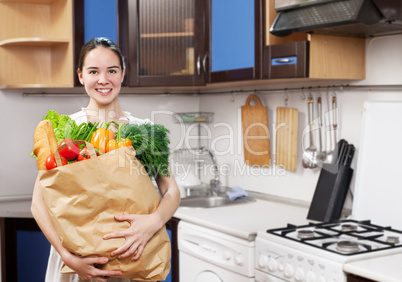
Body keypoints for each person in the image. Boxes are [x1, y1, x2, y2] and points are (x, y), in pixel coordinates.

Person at [31, 37, 181, 282]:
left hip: (134, 257)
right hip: (79, 260)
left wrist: (154, 221)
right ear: (81, 75)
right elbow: (38, 204)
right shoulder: (65, 129)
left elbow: (171, 190)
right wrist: (67, 258)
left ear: (123, 74)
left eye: (112, 70)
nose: (103, 79)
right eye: (93, 71)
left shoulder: (145, 131)